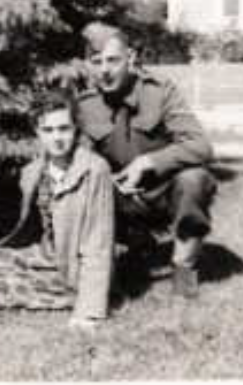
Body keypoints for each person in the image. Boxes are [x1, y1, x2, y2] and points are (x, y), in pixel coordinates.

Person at [75, 21, 217, 298]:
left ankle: (184, 268)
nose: (105, 70)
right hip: (120, 195)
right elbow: (82, 160)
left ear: (131, 58)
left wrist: (148, 162)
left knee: (195, 179)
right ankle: (129, 250)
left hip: (164, 193)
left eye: (113, 60)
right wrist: (106, 179)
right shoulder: (86, 104)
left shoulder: (160, 91)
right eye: (97, 62)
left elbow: (201, 146)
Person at [0, 90, 115, 331]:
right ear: (38, 132)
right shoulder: (33, 171)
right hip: (44, 255)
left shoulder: (94, 169)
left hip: (75, 266)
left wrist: (89, 311)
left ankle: (71, 297)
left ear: (76, 129)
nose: (57, 138)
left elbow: (98, 243)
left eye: (64, 129)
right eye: (48, 130)